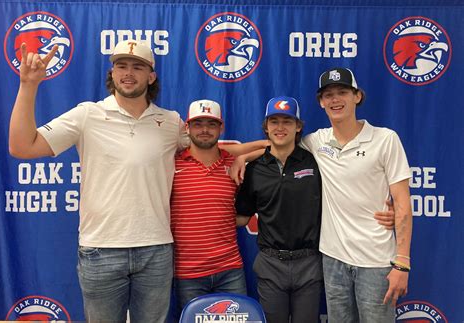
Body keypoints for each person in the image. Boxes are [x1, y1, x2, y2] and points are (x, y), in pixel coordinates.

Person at [9, 39, 190, 322]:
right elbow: (21, 146)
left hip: (156, 249)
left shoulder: (170, 122)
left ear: (151, 76)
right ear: (112, 73)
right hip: (101, 251)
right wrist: (28, 86)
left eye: (137, 66)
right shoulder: (87, 115)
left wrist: (242, 155)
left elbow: (209, 148)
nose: (128, 72)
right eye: (121, 65)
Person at [301, 67, 412, 322]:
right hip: (333, 259)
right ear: (321, 102)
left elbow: (403, 203)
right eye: (328, 95)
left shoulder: (385, 139)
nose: (335, 100)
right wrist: (240, 159)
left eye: (342, 92)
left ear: (357, 97)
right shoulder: (316, 141)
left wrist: (402, 263)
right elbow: (277, 146)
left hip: (376, 261)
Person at [234, 96, 323, 323]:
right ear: (266, 127)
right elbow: (242, 218)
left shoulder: (316, 162)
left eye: (287, 121)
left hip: (309, 262)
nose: (280, 127)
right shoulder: (254, 169)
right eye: (274, 121)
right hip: (270, 263)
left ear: (298, 126)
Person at [170, 99, 248, 316]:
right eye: (198, 123)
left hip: (230, 269)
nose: (204, 130)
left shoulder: (233, 164)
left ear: (221, 128)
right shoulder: (170, 164)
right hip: (188, 273)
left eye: (211, 124)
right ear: (187, 127)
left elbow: (271, 147)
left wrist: (243, 156)